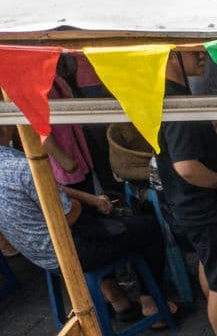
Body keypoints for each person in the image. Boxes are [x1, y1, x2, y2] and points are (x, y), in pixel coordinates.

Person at [0, 125, 178, 324]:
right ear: (6, 129)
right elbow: (70, 215)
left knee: (100, 224)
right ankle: (150, 302)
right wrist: (82, 204)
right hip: (69, 252)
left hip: (39, 255)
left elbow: (52, 188)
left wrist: (91, 200)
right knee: (149, 227)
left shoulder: (14, 163)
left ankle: (119, 301)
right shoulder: (22, 167)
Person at [156, 49, 217, 336]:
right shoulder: (179, 104)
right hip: (205, 209)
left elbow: (183, 145)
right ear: (172, 57)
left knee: (210, 266)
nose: (204, 57)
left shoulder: (167, 96)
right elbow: (186, 166)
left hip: (187, 209)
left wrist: (215, 127)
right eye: (195, 52)